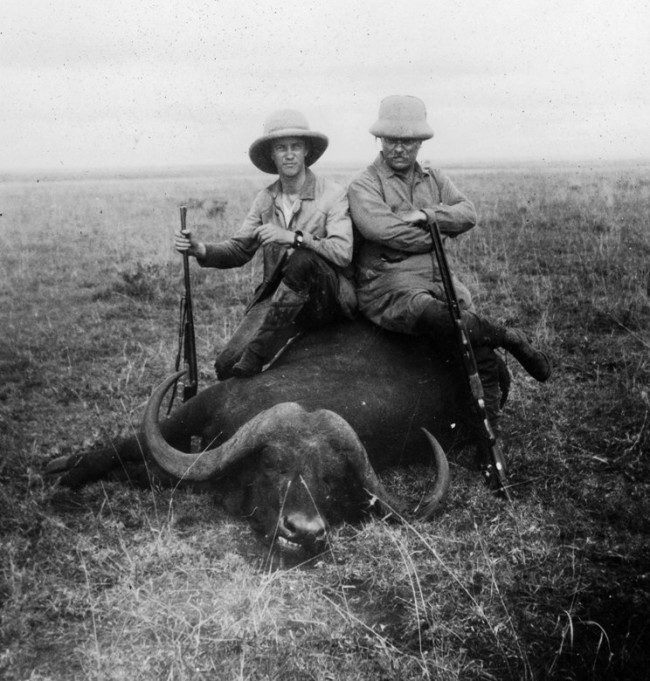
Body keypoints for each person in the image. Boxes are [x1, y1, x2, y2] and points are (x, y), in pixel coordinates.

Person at [347, 95, 550, 427]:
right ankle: (508, 336)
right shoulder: (363, 185)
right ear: (379, 140)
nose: (398, 148)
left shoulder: (434, 177)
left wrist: (426, 214)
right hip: (390, 287)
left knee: (472, 342)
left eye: (408, 141)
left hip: (439, 280)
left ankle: (489, 426)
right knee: (449, 320)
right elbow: (386, 231)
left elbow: (468, 213)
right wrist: (438, 231)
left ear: (420, 142)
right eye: (391, 140)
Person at [175, 109, 356, 378]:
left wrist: (295, 237)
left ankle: (258, 353)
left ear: (306, 150)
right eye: (281, 148)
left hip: (326, 296)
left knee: (302, 259)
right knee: (226, 366)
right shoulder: (265, 199)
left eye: (295, 146)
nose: (289, 154)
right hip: (281, 298)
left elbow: (343, 253)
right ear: (272, 154)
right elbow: (239, 249)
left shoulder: (333, 193)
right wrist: (200, 249)